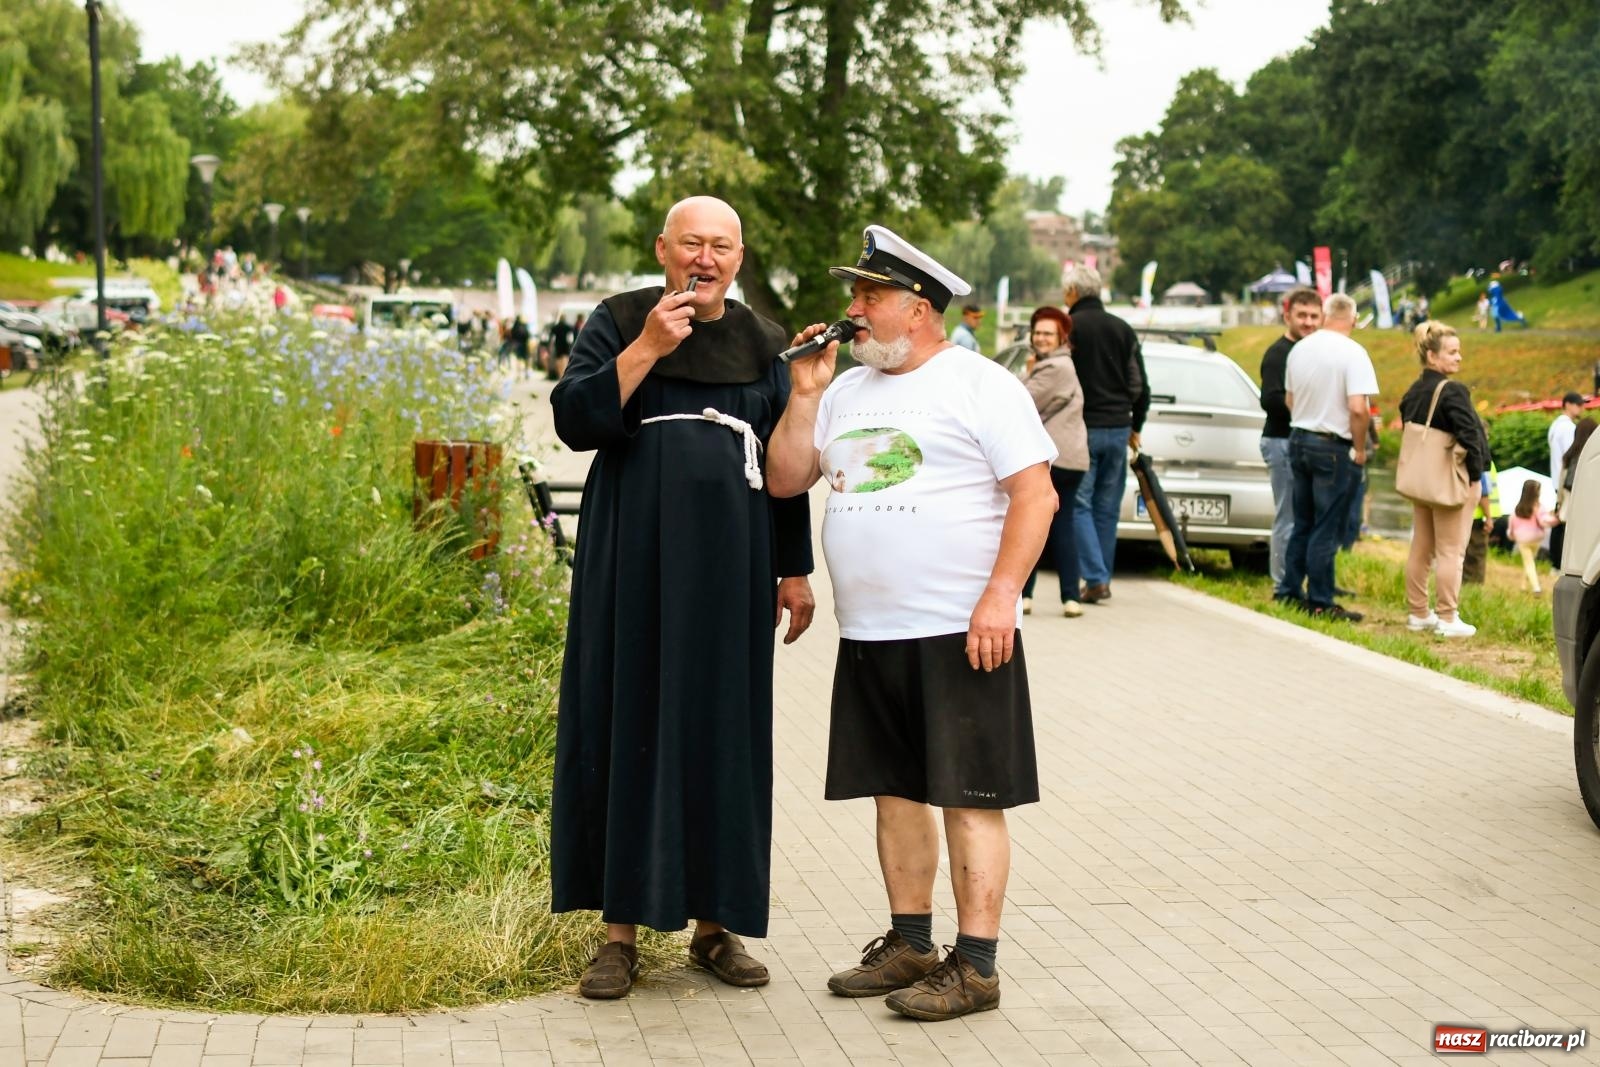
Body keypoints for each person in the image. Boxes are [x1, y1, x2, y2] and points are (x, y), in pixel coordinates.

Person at [765, 224, 1057, 1023]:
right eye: (854, 294)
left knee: (969, 793)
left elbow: (1037, 496)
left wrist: (1001, 595)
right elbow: (785, 478)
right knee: (894, 791)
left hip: (961, 627)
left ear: (919, 307)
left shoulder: (979, 384)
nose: (851, 309)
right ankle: (910, 942)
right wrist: (804, 393)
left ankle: (978, 964)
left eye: (869, 295)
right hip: (871, 632)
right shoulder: (845, 390)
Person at [549, 195, 816, 1000]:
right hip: (631, 552)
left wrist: (794, 567)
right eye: (692, 243)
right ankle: (618, 935)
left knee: (721, 726)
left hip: (733, 563)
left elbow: (780, 466)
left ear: (739, 257)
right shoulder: (618, 317)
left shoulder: (765, 341)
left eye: (722, 246)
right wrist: (644, 349)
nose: (706, 257)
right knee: (627, 714)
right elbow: (572, 419)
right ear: (663, 248)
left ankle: (714, 926)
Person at [1280, 293, 1378, 620]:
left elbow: (1290, 400)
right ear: (1351, 319)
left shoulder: (1299, 349)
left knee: (1302, 521)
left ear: (1324, 315)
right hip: (1333, 445)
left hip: (1298, 438)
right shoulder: (1354, 352)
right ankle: (1320, 600)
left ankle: (1289, 589)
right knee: (1327, 525)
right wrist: (1360, 449)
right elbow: (1358, 409)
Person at [1063, 264, 1149, 604]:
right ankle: (1101, 577)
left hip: (1083, 428)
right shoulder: (1123, 329)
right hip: (1119, 429)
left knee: (1079, 504)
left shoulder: (1070, 328)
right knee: (1107, 507)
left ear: (1072, 293)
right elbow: (1139, 385)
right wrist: (1135, 424)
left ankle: (1096, 578)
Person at [1397, 321, 1489, 637]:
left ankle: (1419, 613)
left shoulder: (1414, 391)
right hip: (1450, 483)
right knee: (1452, 551)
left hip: (1422, 482)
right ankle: (1448, 618)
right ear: (1433, 357)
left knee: (1421, 548)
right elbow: (1471, 436)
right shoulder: (1453, 391)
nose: (1458, 357)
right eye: (1451, 352)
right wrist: (1475, 477)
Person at [1020, 306, 1089, 618]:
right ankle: (1069, 598)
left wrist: (1028, 369)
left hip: (1055, 459)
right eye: (1037, 333)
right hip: (1071, 459)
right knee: (1060, 526)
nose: (1041, 338)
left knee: (1032, 524)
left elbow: (1021, 400)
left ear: (1062, 337)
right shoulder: (1060, 365)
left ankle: (1025, 596)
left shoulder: (1055, 367)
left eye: (1048, 333)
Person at [1260, 287, 1323, 594]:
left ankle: (1301, 579)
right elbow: (1270, 400)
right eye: (1302, 315)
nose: (1308, 322)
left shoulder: (1315, 352)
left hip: (1305, 443)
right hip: (1281, 441)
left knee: (1306, 516)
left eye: (1314, 316)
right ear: (1288, 316)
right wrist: (1308, 410)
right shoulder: (1278, 354)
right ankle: (1282, 584)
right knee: (1288, 516)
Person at [1548, 392, 1584, 568]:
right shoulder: (1568, 428)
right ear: (1568, 404)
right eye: (1578, 404)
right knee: (1564, 523)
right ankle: (1558, 562)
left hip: (1557, 479)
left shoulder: (1555, 426)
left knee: (1559, 520)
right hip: (1567, 481)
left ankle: (1555, 562)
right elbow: (1572, 455)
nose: (1581, 408)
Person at [1508, 480, 1558, 595]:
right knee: (1530, 562)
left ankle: (1532, 587)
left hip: (1522, 540)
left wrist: (1511, 535)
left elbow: (1511, 525)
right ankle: (1528, 586)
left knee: (1528, 562)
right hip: (1536, 539)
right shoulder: (1539, 507)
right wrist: (1557, 519)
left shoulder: (1518, 508)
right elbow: (1544, 521)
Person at [548, 315, 576, 381]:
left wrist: (550, 344)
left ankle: (560, 374)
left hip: (558, 344)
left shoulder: (555, 327)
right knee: (565, 358)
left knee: (558, 359)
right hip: (565, 344)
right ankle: (564, 373)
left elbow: (551, 335)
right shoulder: (567, 326)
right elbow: (572, 332)